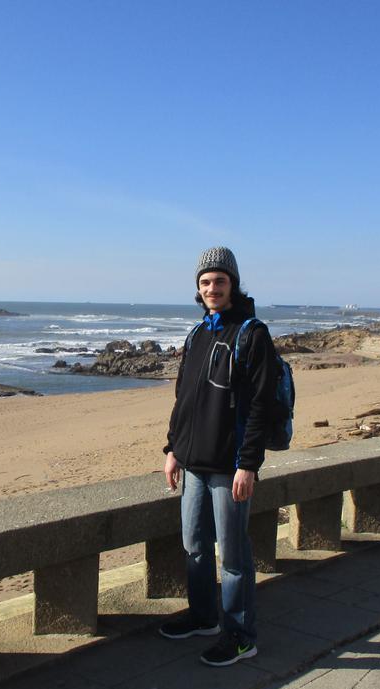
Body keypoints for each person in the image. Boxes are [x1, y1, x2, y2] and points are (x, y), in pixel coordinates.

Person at [160, 246, 278, 667]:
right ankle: (204, 617)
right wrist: (173, 449)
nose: (212, 288)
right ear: (198, 287)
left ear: (233, 284)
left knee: (233, 557)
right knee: (194, 546)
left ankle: (241, 636)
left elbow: (261, 406)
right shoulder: (197, 334)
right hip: (193, 464)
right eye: (205, 282)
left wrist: (249, 464)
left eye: (220, 281)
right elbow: (184, 400)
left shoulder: (251, 333)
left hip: (230, 468)